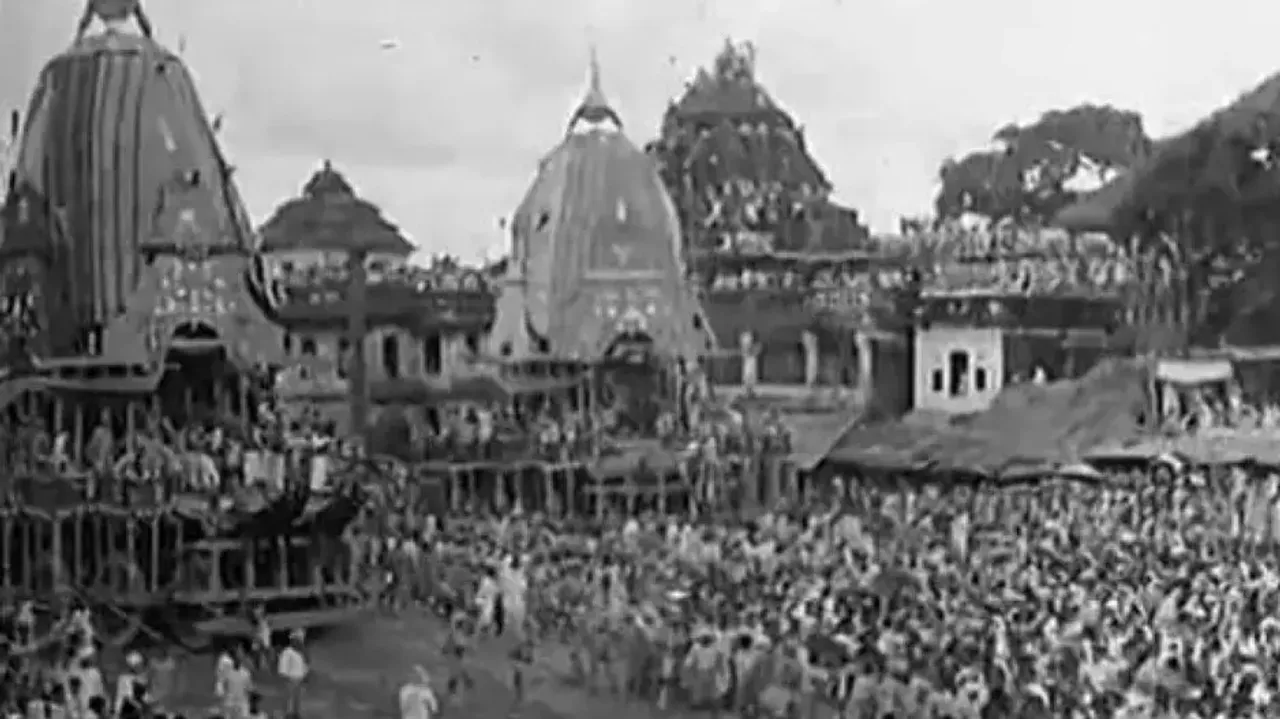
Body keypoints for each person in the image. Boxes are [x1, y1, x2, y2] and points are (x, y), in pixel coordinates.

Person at [277, 629, 309, 717]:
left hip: (299, 681)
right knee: (289, 704)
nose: (301, 642)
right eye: (299, 640)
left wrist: (305, 677)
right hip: (290, 681)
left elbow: (305, 667)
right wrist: (287, 681)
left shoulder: (302, 653)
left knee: (297, 704)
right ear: (293, 640)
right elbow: (282, 669)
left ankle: (296, 715)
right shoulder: (287, 652)